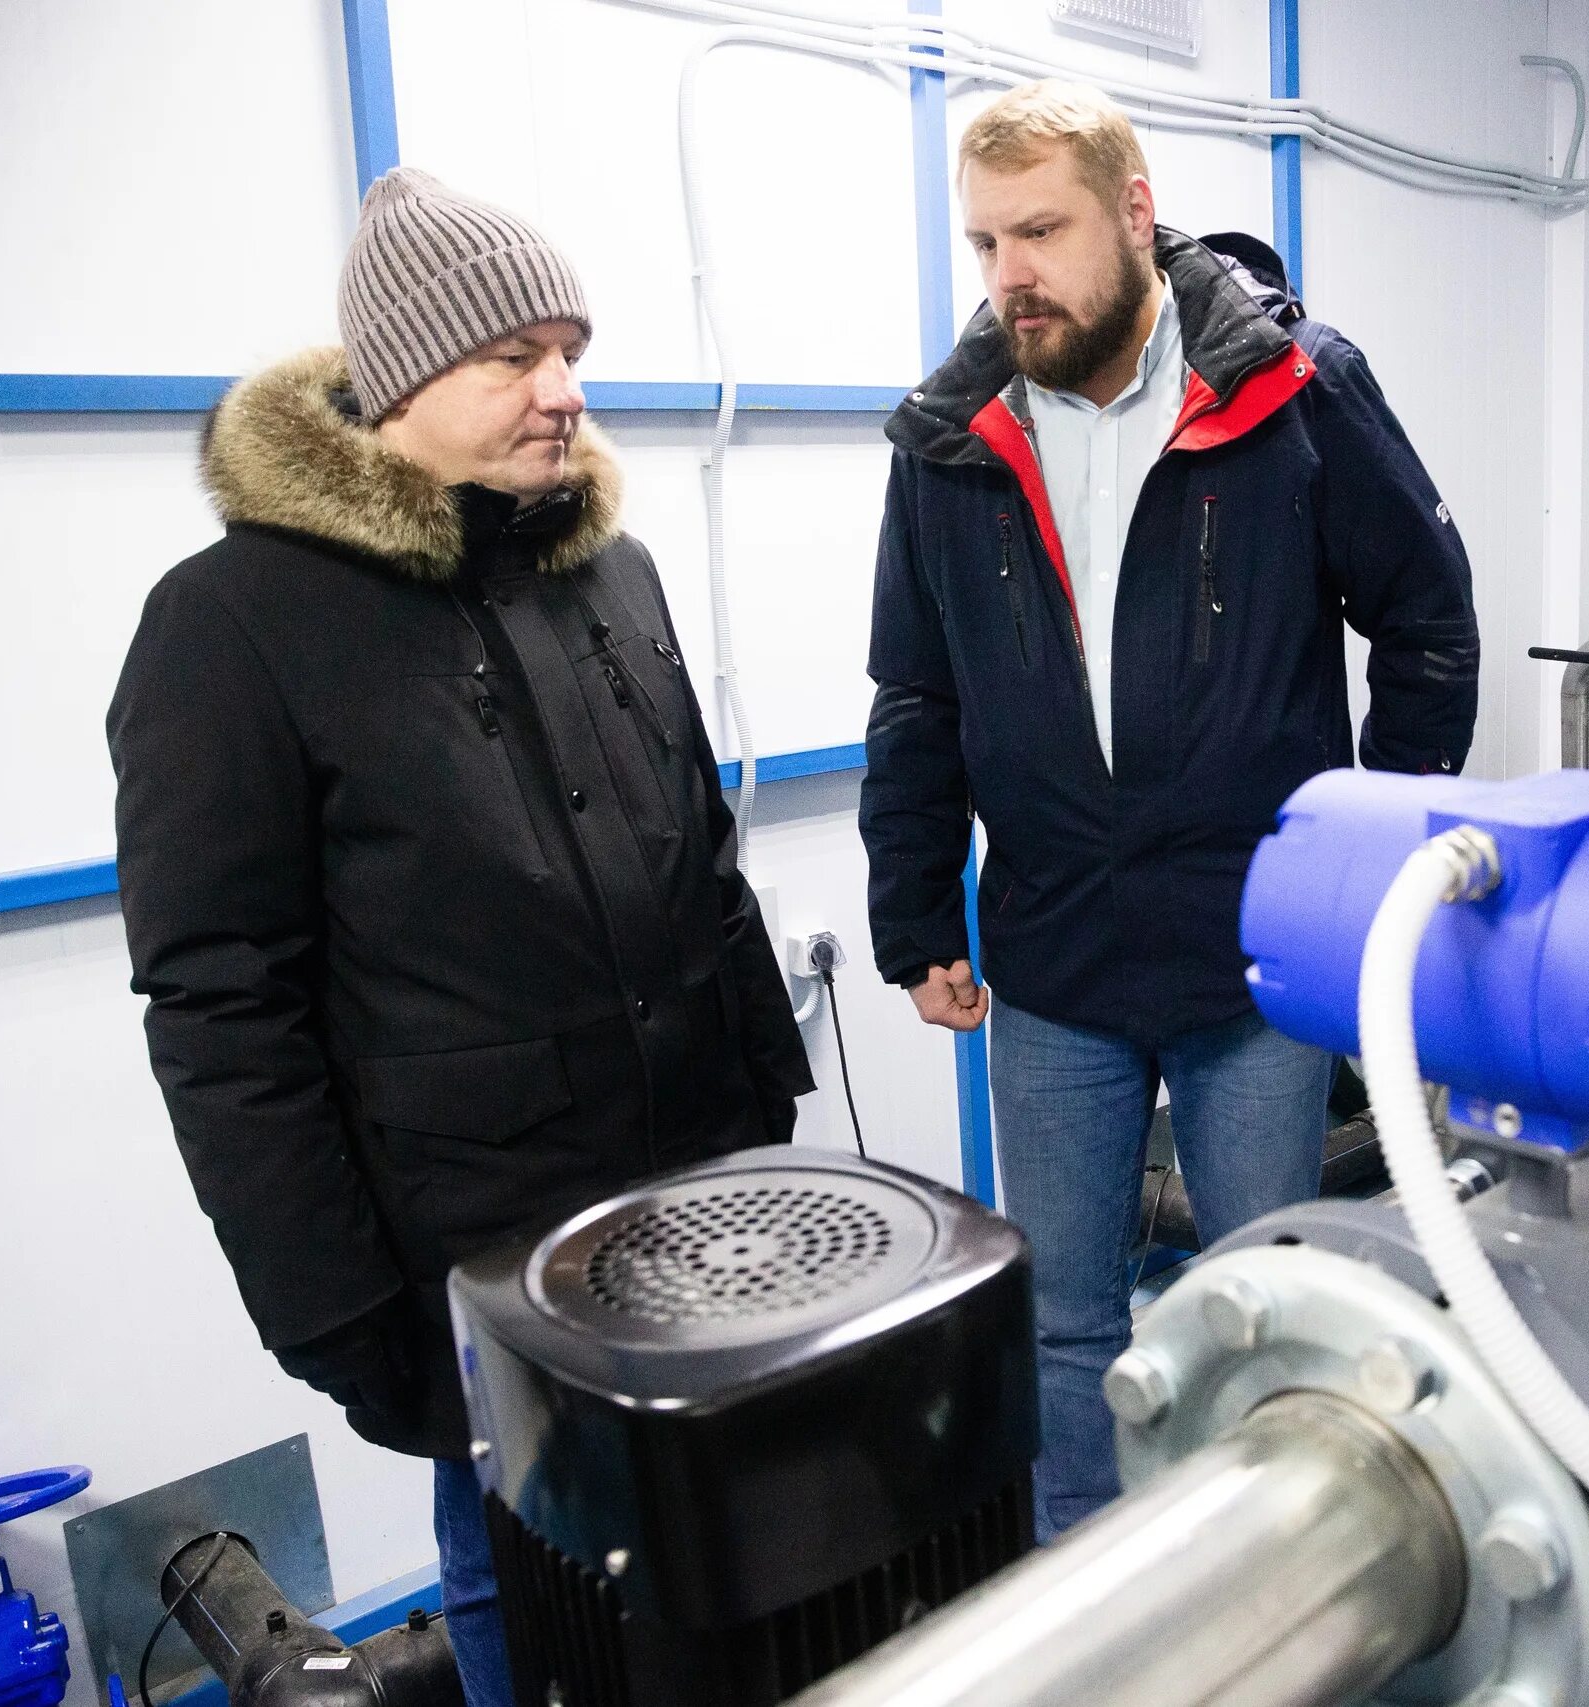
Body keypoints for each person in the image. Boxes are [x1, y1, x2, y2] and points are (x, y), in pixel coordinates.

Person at [107, 167, 813, 1707]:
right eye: (515, 355)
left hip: (695, 1193)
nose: (563, 391)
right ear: (400, 376)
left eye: (571, 348)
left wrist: (767, 1099)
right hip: (474, 1248)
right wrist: (340, 1310)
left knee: (719, 1555)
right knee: (524, 1585)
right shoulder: (233, 622)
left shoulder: (604, 571)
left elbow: (700, 848)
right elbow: (221, 1009)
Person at [861, 79, 1480, 1536]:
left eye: (1042, 230)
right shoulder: (949, 443)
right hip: (1055, 962)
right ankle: (1097, 1593)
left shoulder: (1295, 390)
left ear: (1135, 216)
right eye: (984, 243)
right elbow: (916, 696)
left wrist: (1366, 859)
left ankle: (1263, 1575)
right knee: (1065, 1324)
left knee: (1258, 1305)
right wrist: (911, 911)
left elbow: (1429, 622)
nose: (1011, 273)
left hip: (1254, 957)